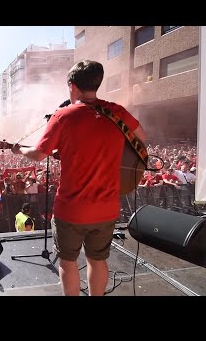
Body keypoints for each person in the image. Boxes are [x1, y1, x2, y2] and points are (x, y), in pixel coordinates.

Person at [11, 60, 147, 296]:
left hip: (71, 210)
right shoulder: (116, 112)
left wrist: (18, 149)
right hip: (106, 208)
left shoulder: (63, 115)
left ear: (72, 85)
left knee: (68, 262)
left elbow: (38, 153)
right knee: (98, 260)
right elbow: (141, 138)